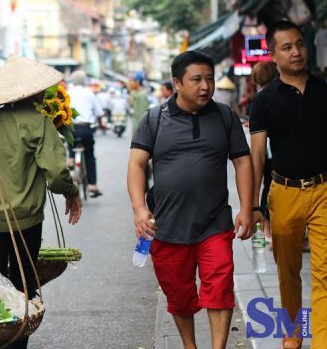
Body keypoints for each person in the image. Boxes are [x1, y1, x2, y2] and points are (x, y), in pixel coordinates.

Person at [127, 51, 255, 349]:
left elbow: (243, 162)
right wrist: (139, 210)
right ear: (177, 83)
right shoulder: (155, 118)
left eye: (209, 78)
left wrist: (247, 208)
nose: (205, 86)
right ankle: (189, 345)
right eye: (196, 79)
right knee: (179, 294)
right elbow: (136, 164)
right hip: (167, 225)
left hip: (215, 222)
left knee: (220, 286)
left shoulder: (225, 116)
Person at [0, 55, 82, 349]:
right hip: (24, 218)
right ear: (32, 92)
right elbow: (56, 174)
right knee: (22, 283)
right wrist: (71, 192)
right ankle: (17, 345)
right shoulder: (39, 122)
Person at [249, 20, 327, 349]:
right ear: (273, 54)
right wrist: (253, 205)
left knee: (324, 272)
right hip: (283, 193)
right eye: (287, 47)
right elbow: (255, 157)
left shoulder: (324, 90)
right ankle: (293, 335)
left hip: (324, 190)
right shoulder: (264, 102)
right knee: (288, 272)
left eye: (300, 44)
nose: (296, 52)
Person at [250, 62, 278, 243]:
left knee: (267, 186)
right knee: (270, 185)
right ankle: (269, 227)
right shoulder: (274, 96)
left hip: (266, 152)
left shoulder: (259, 98)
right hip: (274, 152)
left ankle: (267, 227)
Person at [67, 70, 104, 197]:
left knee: (69, 138)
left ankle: (71, 158)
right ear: (84, 81)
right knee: (89, 156)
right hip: (86, 129)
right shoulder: (89, 93)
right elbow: (99, 113)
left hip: (71, 129)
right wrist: (101, 124)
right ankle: (92, 185)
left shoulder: (67, 94)